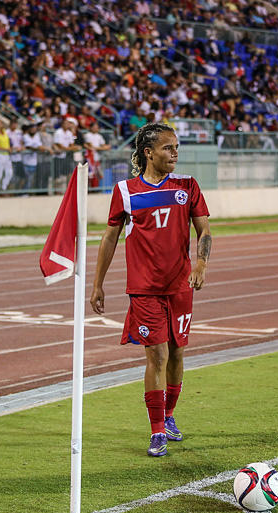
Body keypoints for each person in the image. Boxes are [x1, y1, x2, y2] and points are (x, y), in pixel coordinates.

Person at [90, 123, 212, 457]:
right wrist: (98, 283)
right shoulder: (125, 191)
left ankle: (169, 416)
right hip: (144, 289)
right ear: (148, 152)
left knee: (177, 352)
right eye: (168, 148)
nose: (175, 154)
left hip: (180, 286)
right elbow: (110, 237)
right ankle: (157, 430)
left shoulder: (187, 186)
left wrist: (201, 264)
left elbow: (204, 230)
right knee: (156, 355)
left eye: (176, 148)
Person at [83, 122, 111, 190]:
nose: (96, 129)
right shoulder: (87, 135)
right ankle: (88, 189)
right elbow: (90, 146)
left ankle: (95, 189)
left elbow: (105, 146)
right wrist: (100, 148)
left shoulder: (99, 136)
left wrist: (98, 148)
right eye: (94, 127)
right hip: (89, 157)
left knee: (97, 174)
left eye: (97, 127)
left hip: (96, 157)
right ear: (90, 128)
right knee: (89, 174)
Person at [7, 120, 25, 189]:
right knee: (11, 176)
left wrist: (22, 147)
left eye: (15, 124)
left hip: (19, 158)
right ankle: (9, 191)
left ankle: (17, 191)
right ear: (10, 124)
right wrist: (14, 148)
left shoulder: (19, 132)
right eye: (13, 124)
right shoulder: (6, 132)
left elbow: (22, 142)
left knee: (21, 176)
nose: (14, 125)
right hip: (11, 158)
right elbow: (7, 144)